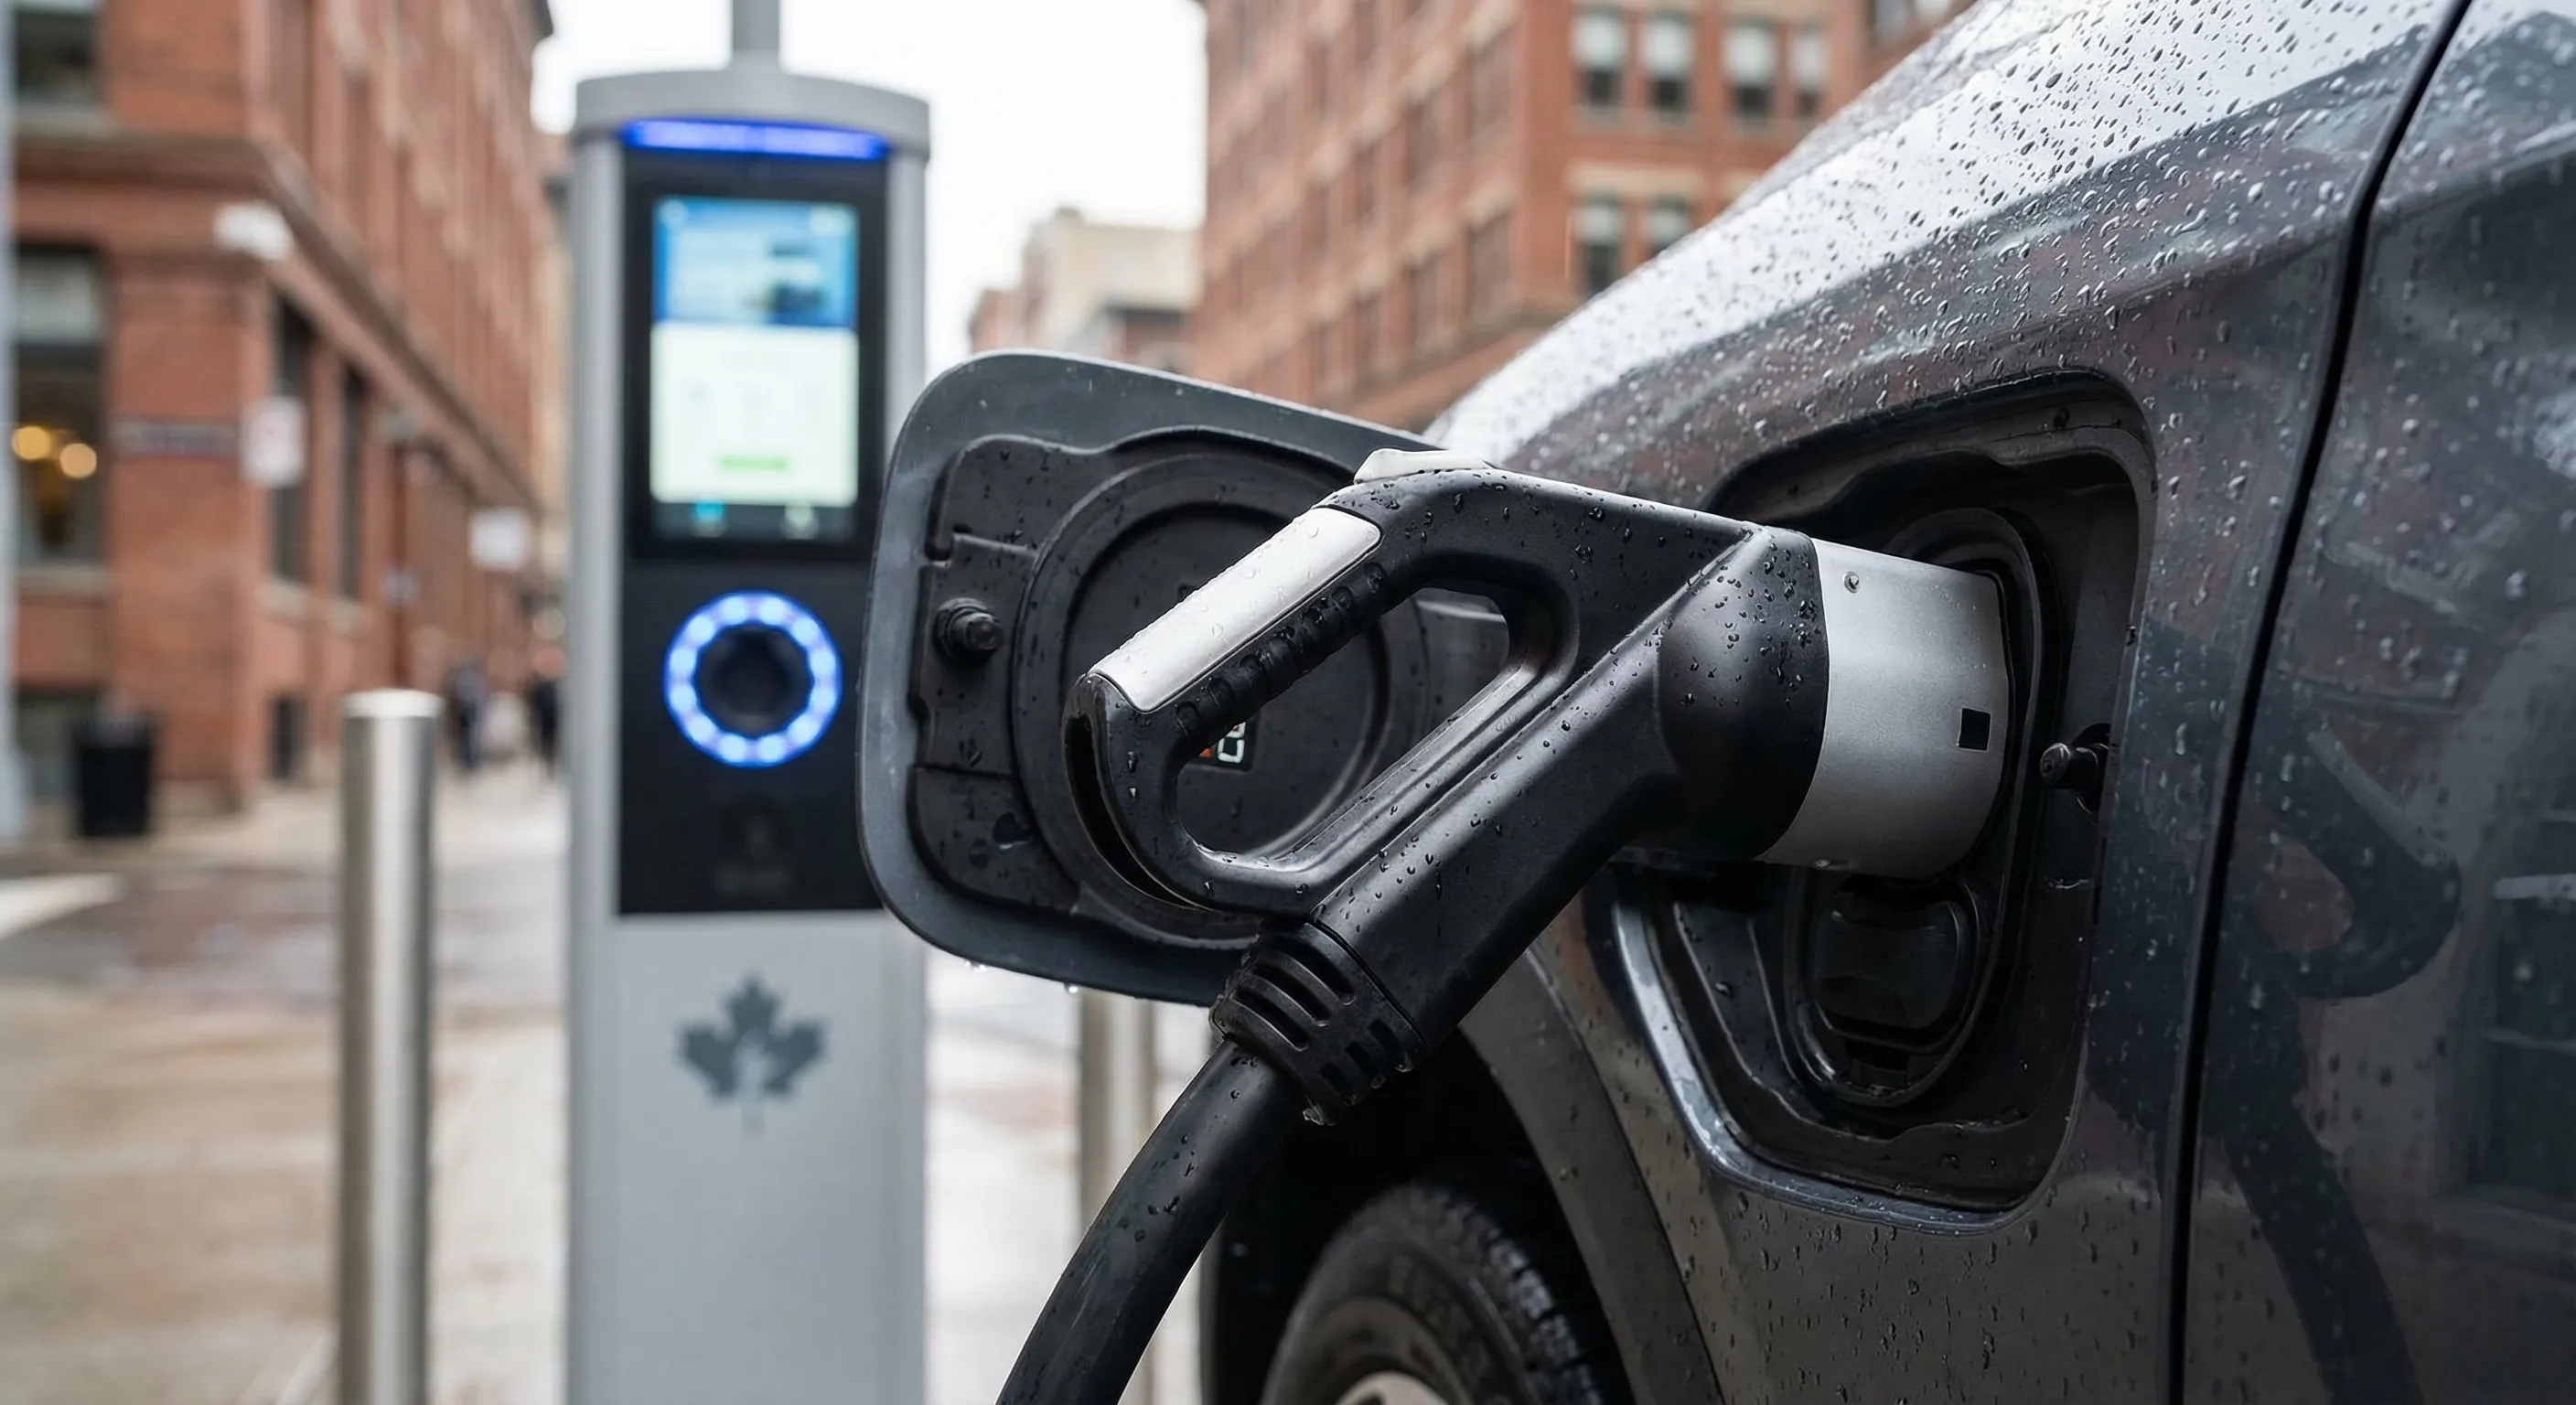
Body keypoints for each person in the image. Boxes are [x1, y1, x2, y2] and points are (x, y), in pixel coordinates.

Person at [445, 657, 488, 773]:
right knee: (468, 740)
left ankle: (470, 763)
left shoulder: (473, 680)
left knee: (471, 740)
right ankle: (468, 763)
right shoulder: (470, 680)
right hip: (466, 717)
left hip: (470, 717)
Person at [527, 649, 563, 778]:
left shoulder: (555, 687)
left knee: (552, 746)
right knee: (544, 745)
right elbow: (533, 705)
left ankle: (551, 767)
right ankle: (546, 766)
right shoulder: (539, 688)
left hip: (553, 722)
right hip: (543, 721)